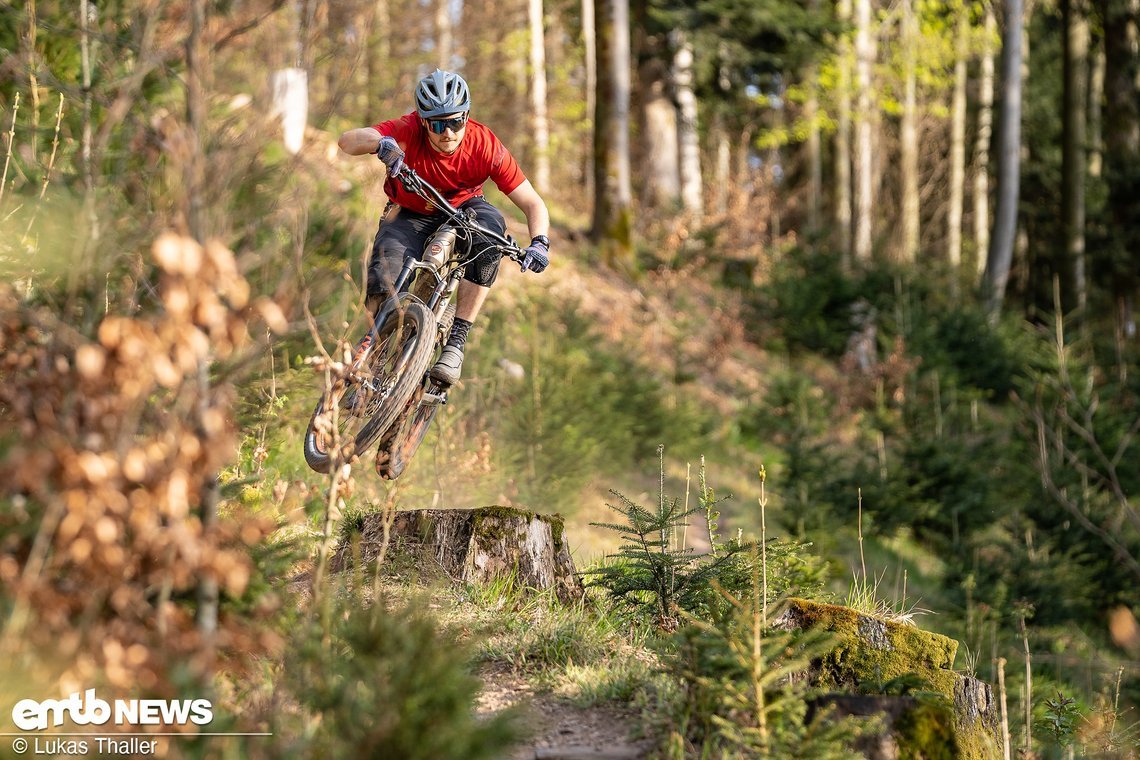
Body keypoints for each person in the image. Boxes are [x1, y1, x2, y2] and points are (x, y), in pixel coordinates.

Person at [337, 69, 551, 386]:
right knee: (385, 281)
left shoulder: (484, 144)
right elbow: (346, 141)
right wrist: (381, 143)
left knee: (491, 234)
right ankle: (376, 356)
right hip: (410, 211)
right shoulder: (407, 130)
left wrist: (540, 242)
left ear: (466, 116)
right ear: (424, 122)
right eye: (438, 124)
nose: (447, 132)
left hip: (464, 209)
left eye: (455, 121)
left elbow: (533, 202)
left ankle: (456, 343)